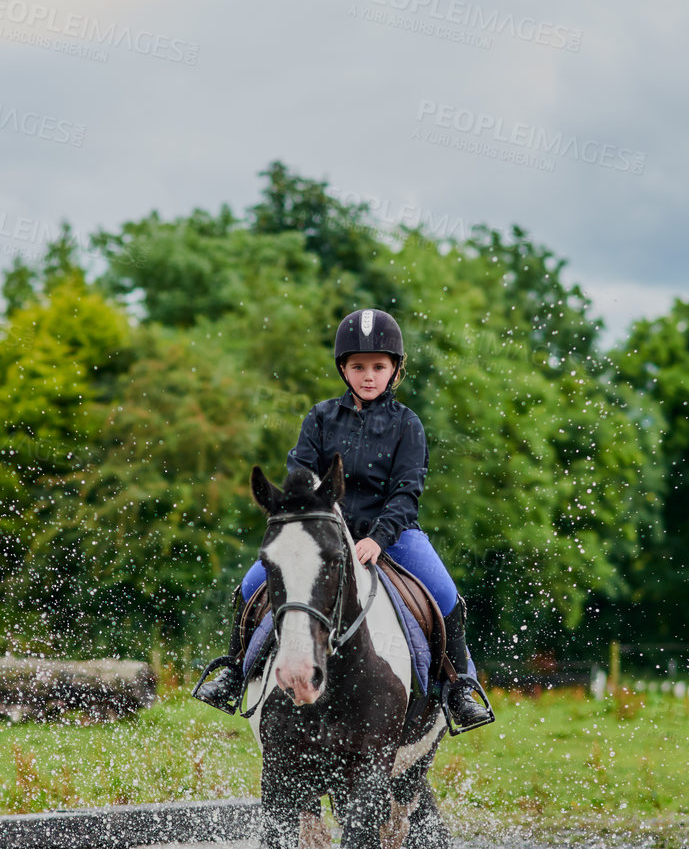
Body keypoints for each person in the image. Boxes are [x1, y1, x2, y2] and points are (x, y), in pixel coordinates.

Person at [194, 309, 494, 731]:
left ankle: (460, 689)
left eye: (378, 366)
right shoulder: (320, 418)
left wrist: (378, 539)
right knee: (249, 585)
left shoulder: (407, 425)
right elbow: (301, 475)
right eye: (358, 367)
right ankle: (233, 670)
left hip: (392, 533)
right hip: (322, 533)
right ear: (343, 368)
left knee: (446, 596)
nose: (368, 376)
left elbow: (406, 493)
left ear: (394, 370)